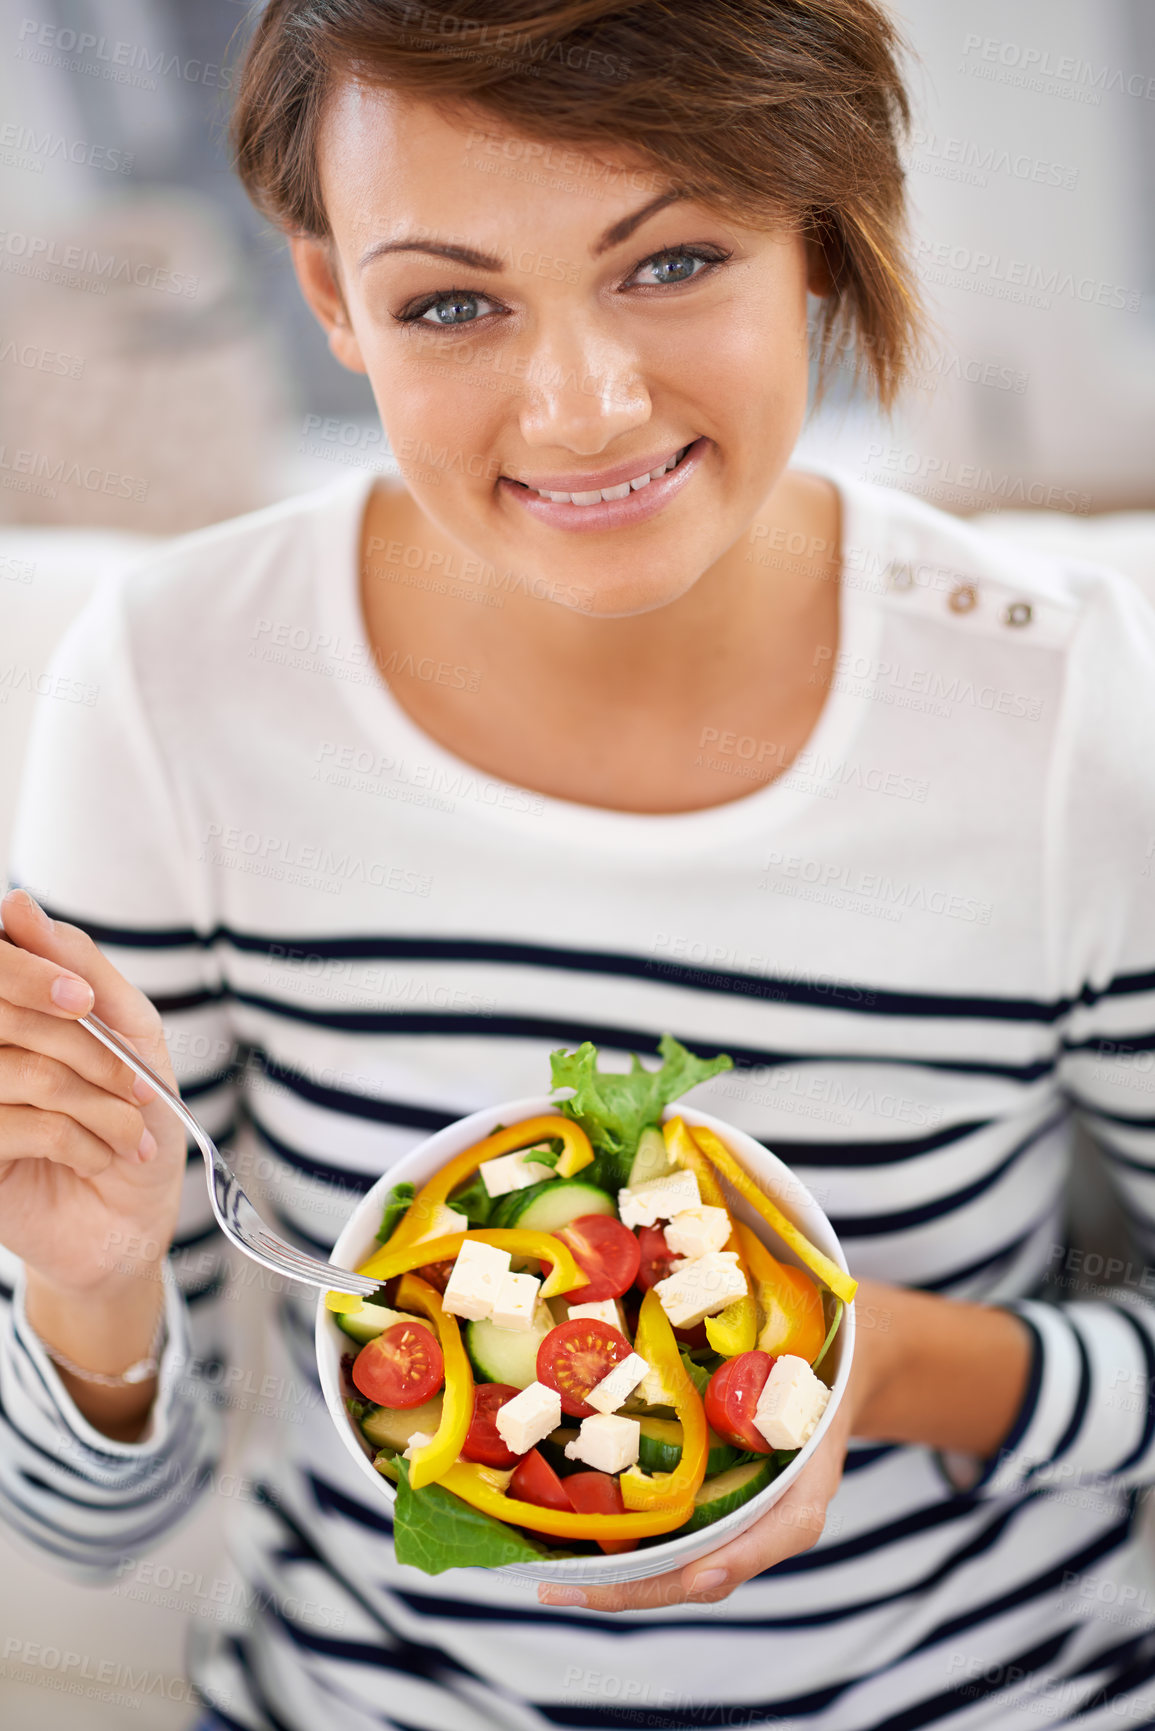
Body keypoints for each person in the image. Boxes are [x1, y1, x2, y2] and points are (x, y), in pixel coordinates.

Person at [2, 1, 1155, 1726]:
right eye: (451, 302)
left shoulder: (1071, 702)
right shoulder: (172, 686)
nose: (582, 408)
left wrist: (893, 1367)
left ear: (821, 243)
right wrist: (89, 1280)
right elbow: (82, 1530)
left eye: (673, 261)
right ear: (334, 302)